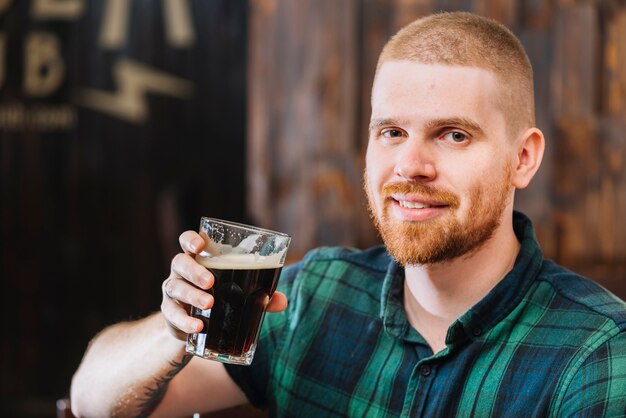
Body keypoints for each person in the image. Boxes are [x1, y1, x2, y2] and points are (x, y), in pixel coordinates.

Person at [70, 12, 626, 417]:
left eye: (453, 134)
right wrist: (177, 331)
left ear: (522, 158)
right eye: (391, 132)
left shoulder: (597, 354)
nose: (410, 165)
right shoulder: (314, 295)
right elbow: (91, 400)